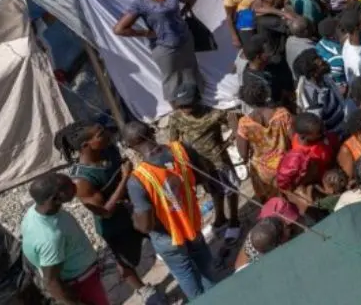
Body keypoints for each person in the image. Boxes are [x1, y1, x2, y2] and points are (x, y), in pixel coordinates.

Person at [123, 120, 219, 299]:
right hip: (192, 222)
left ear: (129, 146)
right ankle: (216, 296)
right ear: (152, 131)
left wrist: (132, 214)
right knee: (205, 263)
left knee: (184, 272)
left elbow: (145, 226)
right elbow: (203, 176)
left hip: (167, 237)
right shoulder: (180, 149)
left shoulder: (137, 180)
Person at [52, 124, 149, 297]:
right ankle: (144, 290)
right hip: (115, 224)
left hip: (134, 208)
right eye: (100, 134)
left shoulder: (108, 150)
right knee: (126, 261)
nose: (107, 134)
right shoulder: (82, 179)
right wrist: (125, 178)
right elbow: (105, 211)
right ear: (85, 145)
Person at [165, 83, 241, 243]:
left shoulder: (212, 112)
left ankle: (234, 221)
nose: (185, 108)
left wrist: (233, 135)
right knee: (213, 191)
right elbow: (173, 142)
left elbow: (232, 118)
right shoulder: (176, 118)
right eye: (182, 105)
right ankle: (220, 218)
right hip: (198, 164)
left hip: (220, 160)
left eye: (188, 103)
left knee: (230, 190)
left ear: (197, 99)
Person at [114, 0, 201, 102]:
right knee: (172, 79)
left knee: (190, 70)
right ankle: (178, 109)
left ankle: (195, 101)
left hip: (185, 39)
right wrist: (146, 33)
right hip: (164, 47)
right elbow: (119, 29)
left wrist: (183, 14)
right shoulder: (141, 4)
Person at [21, 173, 109, 305]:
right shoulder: (50, 238)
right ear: (56, 198)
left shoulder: (34, 211)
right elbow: (51, 282)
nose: (75, 185)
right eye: (69, 187)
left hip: (81, 277)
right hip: (81, 284)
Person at [236, 77, 294, 201]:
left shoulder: (244, 123)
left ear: (246, 101)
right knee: (293, 199)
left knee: (273, 205)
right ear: (266, 94)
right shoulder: (282, 114)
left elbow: (243, 154)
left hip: (263, 173)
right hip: (286, 166)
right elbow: (295, 139)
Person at [294, 49, 346, 133]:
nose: (324, 62)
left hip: (343, 125)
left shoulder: (324, 78)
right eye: (321, 64)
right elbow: (316, 126)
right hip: (333, 135)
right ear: (313, 73)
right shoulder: (312, 98)